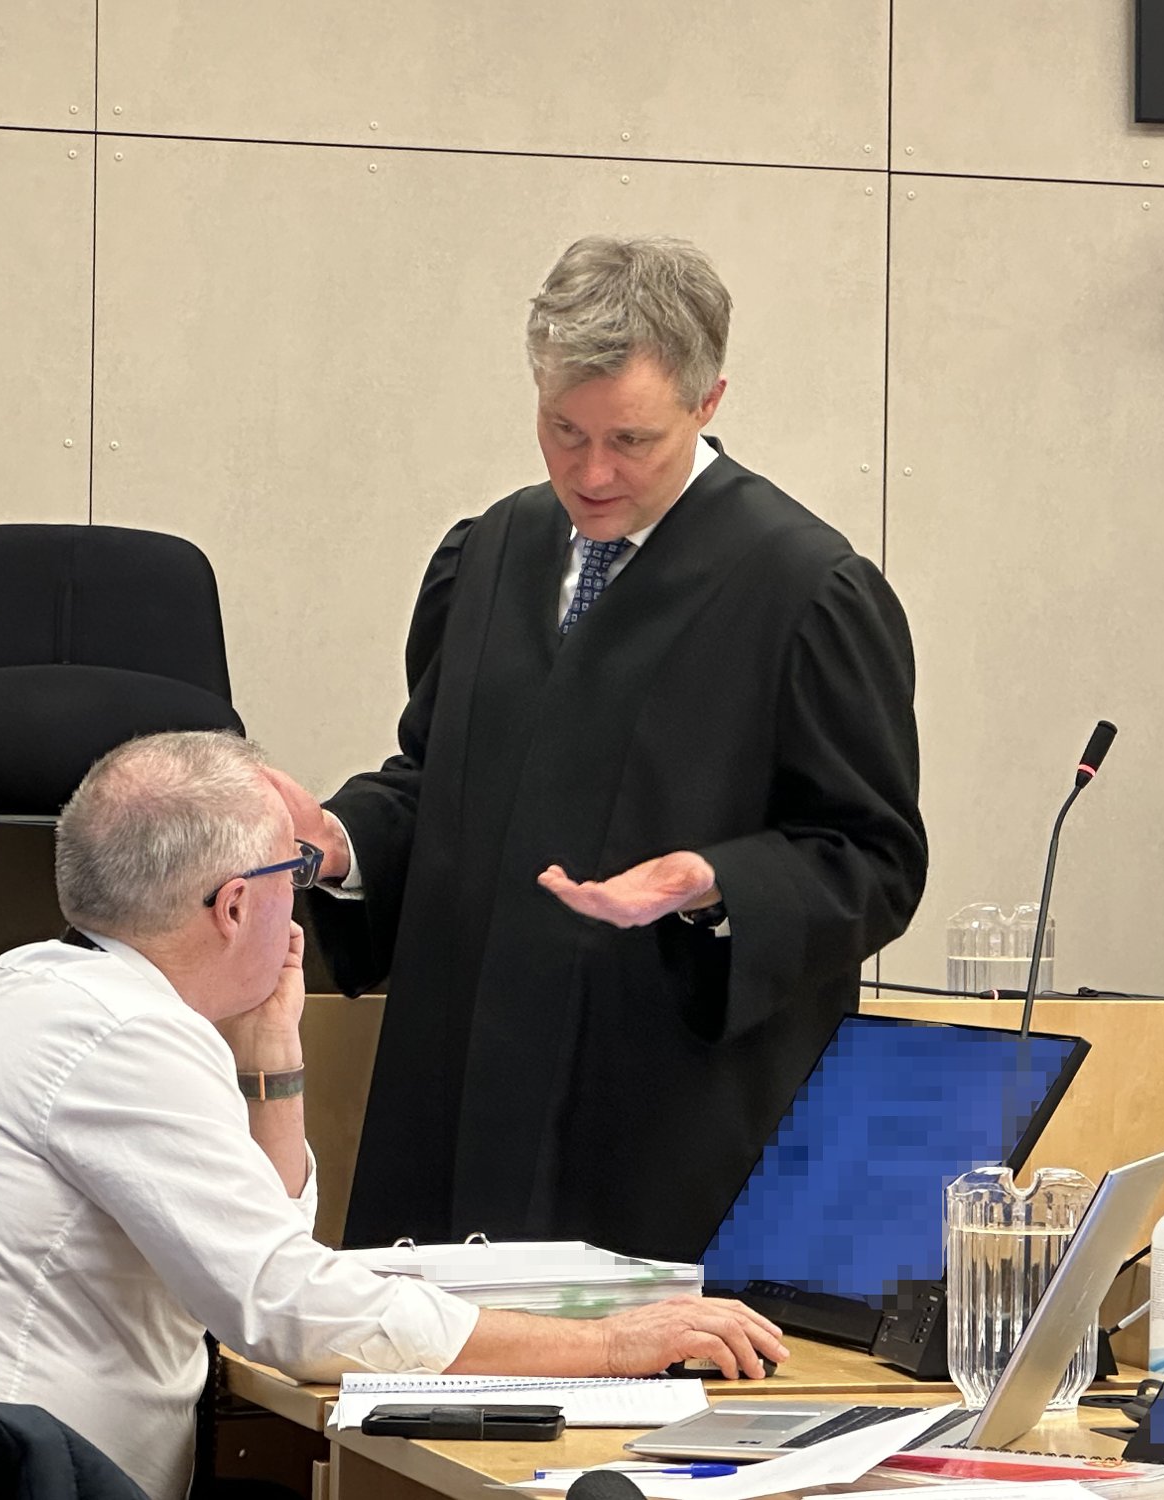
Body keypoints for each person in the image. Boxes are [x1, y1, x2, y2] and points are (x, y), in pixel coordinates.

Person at [0, 732, 784, 1500]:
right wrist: (611, 1346)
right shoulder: (125, 1037)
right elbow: (288, 1310)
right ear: (235, 906)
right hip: (14, 1475)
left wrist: (274, 1059)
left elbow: (266, 1245)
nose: (301, 909)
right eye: (294, 871)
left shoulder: (37, 985)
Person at [276, 234, 927, 1261]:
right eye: (562, 430)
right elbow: (434, 784)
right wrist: (340, 841)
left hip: (656, 1121)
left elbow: (872, 859)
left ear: (709, 403)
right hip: (461, 1096)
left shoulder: (804, 591)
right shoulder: (490, 553)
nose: (590, 473)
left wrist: (716, 880)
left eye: (631, 439)